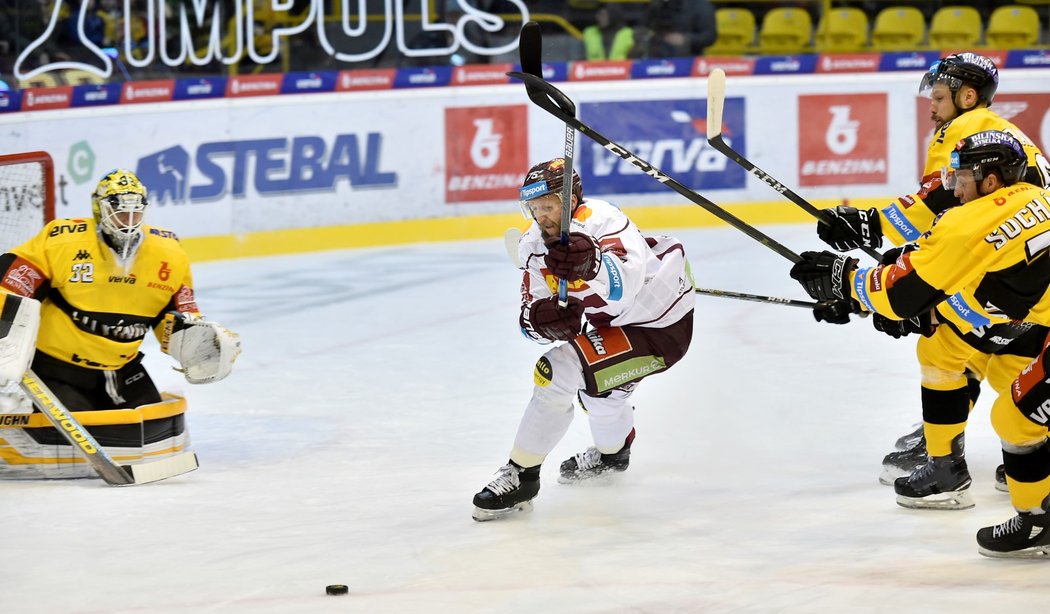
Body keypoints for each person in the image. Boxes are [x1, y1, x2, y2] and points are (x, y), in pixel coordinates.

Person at [790, 130, 1050, 558]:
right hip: (1032, 324)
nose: (953, 187)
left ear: (989, 180)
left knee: (1016, 416)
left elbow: (902, 293)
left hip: (1028, 327)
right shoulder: (1031, 197)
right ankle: (981, 480)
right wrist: (904, 301)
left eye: (961, 177)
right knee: (977, 374)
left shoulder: (969, 221)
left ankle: (1038, 520)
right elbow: (987, 284)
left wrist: (846, 280)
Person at [813, 53, 1050, 506]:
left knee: (958, 347)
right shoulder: (1006, 137)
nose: (932, 106)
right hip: (1014, 271)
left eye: (939, 96)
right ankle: (989, 449)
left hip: (1004, 275)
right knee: (963, 347)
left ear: (967, 96)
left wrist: (871, 235)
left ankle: (957, 458)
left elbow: (941, 205)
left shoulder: (965, 130)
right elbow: (953, 218)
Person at [471, 158, 695, 521]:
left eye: (549, 205)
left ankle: (521, 475)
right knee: (600, 397)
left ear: (571, 199)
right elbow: (529, 314)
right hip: (613, 327)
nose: (541, 216)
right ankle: (613, 455)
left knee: (555, 370)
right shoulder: (533, 245)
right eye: (534, 207)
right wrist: (542, 321)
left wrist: (591, 265)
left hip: (661, 326)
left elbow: (624, 290)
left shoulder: (603, 219)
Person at [0, 168, 240, 479]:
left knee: (152, 424)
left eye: (134, 211)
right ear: (100, 208)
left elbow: (178, 314)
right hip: (56, 367)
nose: (127, 219)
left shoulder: (169, 252)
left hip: (120, 368)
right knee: (79, 426)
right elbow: (10, 283)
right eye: (119, 211)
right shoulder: (62, 241)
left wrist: (197, 341)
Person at [632, 0, 716, 59]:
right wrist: (644, 35)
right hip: (656, 57)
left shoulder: (700, 5)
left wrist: (685, 40)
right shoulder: (657, 4)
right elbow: (642, 27)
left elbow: (710, 35)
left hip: (688, 59)